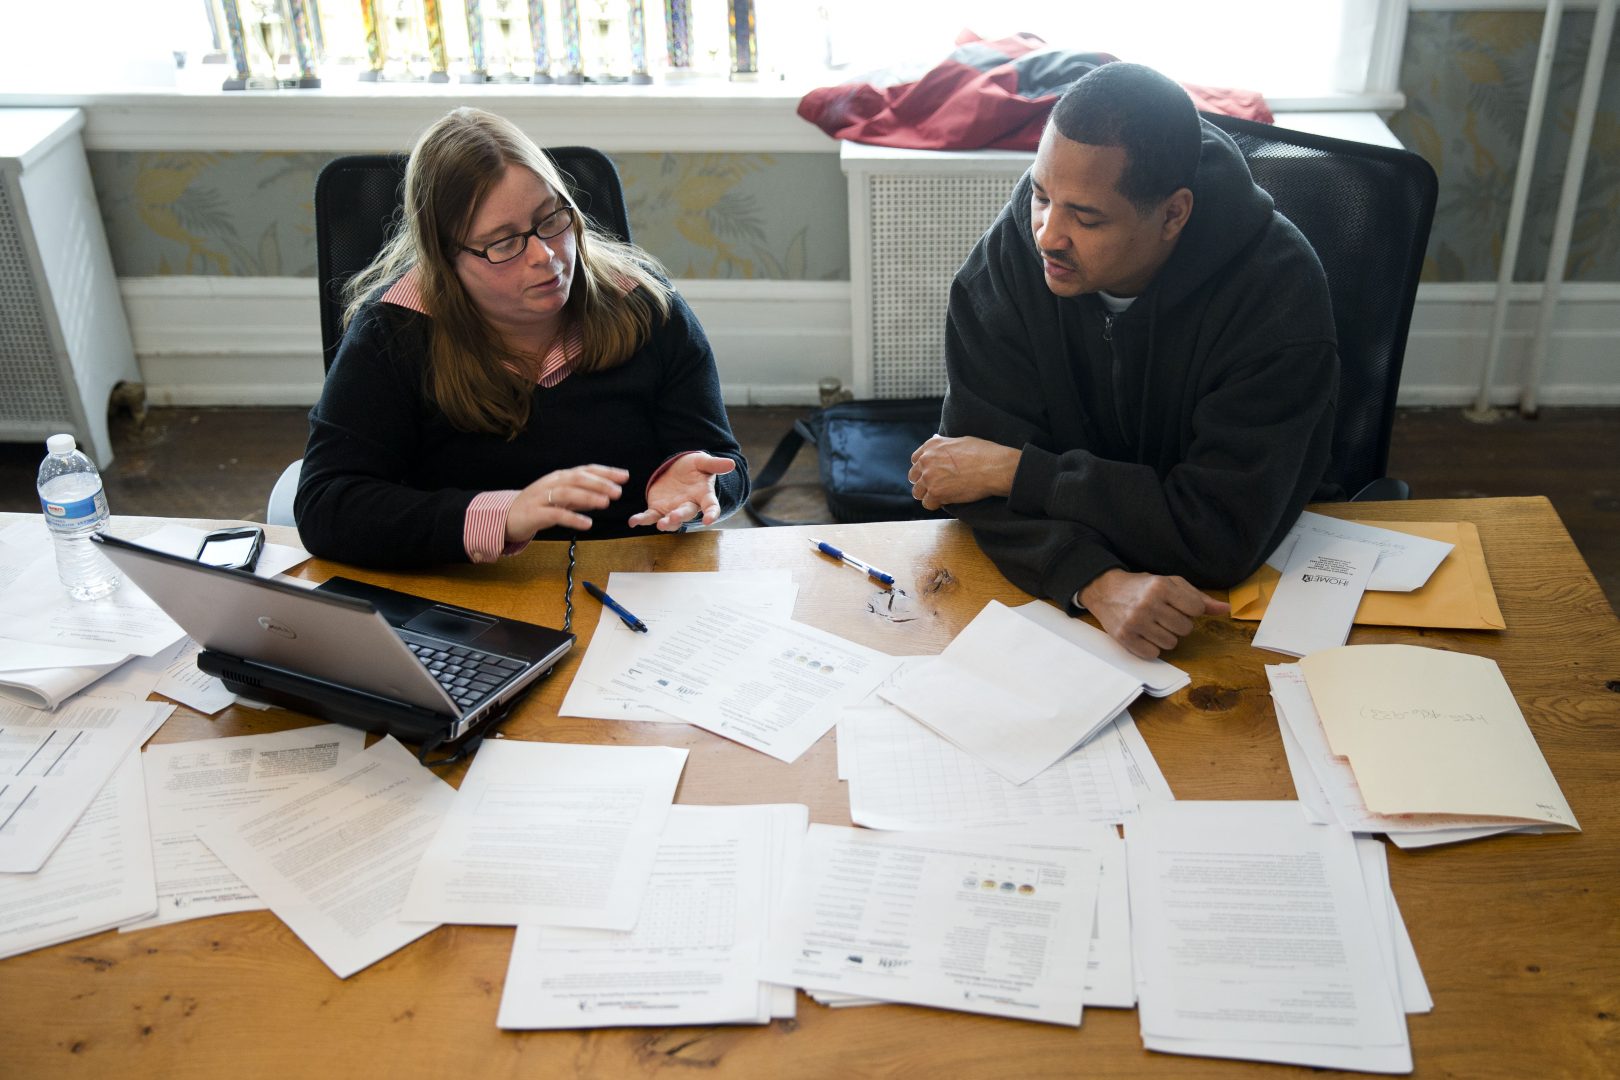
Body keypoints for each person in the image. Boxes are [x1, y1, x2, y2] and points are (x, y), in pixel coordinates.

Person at [908, 63, 1338, 659]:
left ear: (1172, 214)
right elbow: (968, 480)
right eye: (1040, 195)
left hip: (1235, 610)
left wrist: (1019, 472)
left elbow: (1217, 534)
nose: (1046, 235)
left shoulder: (1277, 296)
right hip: (1079, 619)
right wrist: (1092, 582)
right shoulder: (1009, 262)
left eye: (1085, 217)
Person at [296, 107, 748, 569]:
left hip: (632, 574)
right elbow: (326, 507)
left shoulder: (646, 303)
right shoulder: (392, 332)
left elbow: (723, 463)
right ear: (445, 260)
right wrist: (504, 515)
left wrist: (698, 483)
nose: (546, 255)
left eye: (552, 219)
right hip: (470, 589)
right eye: (504, 242)